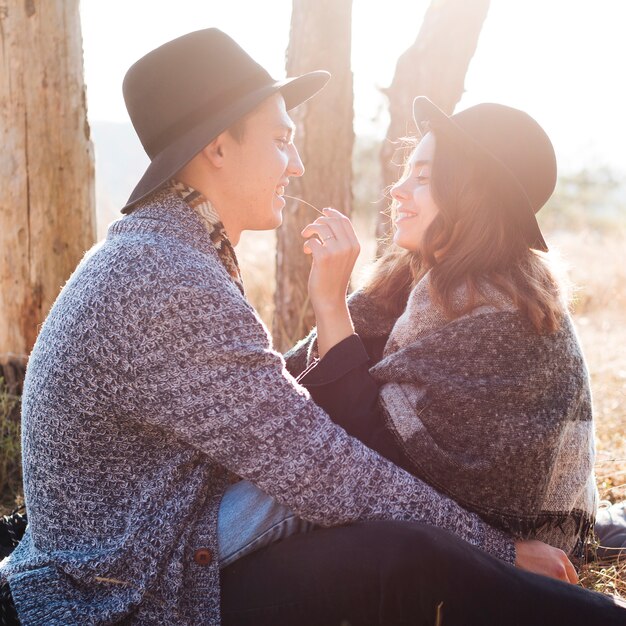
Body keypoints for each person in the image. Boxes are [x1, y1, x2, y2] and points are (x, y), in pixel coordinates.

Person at [1, 28, 624, 626]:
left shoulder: (167, 252)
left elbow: (293, 416)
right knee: (399, 556)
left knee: (380, 522)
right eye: (280, 140)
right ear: (217, 147)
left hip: (149, 539)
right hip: (122, 589)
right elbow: (319, 461)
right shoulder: (164, 275)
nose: (296, 164)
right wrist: (499, 550)